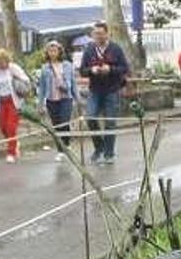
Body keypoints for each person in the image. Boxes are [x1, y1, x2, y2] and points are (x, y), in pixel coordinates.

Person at [78, 21, 128, 165]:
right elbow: (82, 70)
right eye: (95, 34)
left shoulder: (115, 49)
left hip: (112, 90)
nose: (98, 36)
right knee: (90, 118)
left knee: (110, 122)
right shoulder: (89, 50)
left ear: (107, 34)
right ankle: (99, 147)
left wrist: (110, 69)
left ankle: (109, 153)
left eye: (101, 33)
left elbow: (124, 68)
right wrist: (91, 70)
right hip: (95, 90)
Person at [0, 48, 31, 163]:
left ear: (6, 59)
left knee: (11, 127)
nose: (0, 64)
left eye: (2, 61)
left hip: (12, 102)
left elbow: (25, 79)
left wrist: (17, 82)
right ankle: (14, 143)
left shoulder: (13, 68)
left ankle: (11, 153)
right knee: (3, 127)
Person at [37, 40, 79, 162]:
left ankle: (66, 145)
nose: (52, 53)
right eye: (50, 51)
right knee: (56, 125)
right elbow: (42, 87)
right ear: (47, 53)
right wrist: (40, 104)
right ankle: (61, 150)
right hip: (51, 99)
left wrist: (78, 98)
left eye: (55, 50)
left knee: (64, 122)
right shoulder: (45, 68)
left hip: (66, 98)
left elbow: (74, 83)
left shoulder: (67, 65)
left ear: (59, 51)